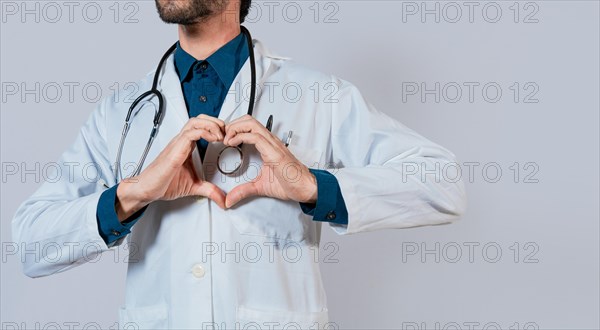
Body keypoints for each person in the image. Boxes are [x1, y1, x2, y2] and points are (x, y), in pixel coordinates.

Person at [12, 0, 467, 328]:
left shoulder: (318, 95)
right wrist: (135, 193)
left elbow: (442, 183)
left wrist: (313, 187)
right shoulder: (121, 111)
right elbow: (31, 243)